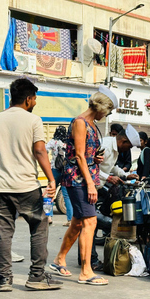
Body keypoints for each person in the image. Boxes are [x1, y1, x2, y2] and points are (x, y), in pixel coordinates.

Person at [0, 78, 63, 292]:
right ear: (28, 99)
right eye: (34, 98)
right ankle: (36, 276)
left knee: (3, 232)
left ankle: (4, 280)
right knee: (39, 225)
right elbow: (39, 151)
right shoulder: (33, 120)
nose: (35, 102)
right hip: (26, 186)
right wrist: (51, 179)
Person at [50, 85, 117, 285]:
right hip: (77, 179)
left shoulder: (92, 125)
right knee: (90, 221)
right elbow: (78, 155)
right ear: (101, 108)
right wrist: (89, 183)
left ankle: (59, 259)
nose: (108, 115)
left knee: (78, 221)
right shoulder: (80, 122)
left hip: (85, 176)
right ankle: (86, 271)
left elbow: (85, 154)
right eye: (108, 111)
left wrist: (94, 160)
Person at [79, 124, 140, 271]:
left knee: (89, 224)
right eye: (129, 147)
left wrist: (125, 175)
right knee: (90, 224)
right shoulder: (104, 145)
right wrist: (109, 178)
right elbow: (89, 166)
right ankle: (89, 259)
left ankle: (86, 258)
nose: (128, 150)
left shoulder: (115, 150)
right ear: (123, 141)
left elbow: (112, 167)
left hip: (97, 187)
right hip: (86, 187)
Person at [46, 126, 73, 226]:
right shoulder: (67, 143)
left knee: (50, 192)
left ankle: (48, 216)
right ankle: (70, 220)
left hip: (55, 170)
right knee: (66, 195)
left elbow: (44, 150)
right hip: (66, 171)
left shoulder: (53, 142)